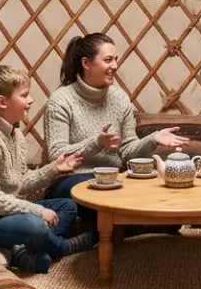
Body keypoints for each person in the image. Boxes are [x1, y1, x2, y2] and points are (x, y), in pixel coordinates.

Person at [0, 65, 98, 273]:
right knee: (34, 225)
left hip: (1, 212)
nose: (31, 101)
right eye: (24, 95)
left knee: (67, 206)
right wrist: (37, 211)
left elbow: (21, 182)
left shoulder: (15, 134)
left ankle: (23, 252)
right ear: (2, 102)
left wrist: (54, 169)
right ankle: (61, 247)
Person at [43, 33, 189, 213]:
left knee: (163, 206)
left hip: (113, 181)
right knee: (97, 191)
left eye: (116, 59)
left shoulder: (119, 99)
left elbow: (128, 152)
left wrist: (153, 139)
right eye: (108, 60)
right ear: (86, 63)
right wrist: (96, 143)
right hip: (72, 182)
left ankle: (102, 232)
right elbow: (57, 155)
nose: (115, 66)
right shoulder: (61, 100)